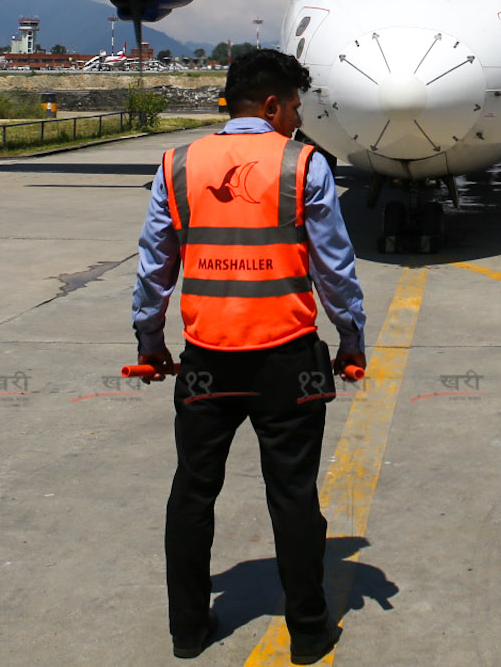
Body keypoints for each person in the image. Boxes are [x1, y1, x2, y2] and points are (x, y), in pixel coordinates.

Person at [133, 48, 367, 662]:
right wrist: (352, 338)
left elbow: (155, 264)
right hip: (287, 360)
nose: (296, 117)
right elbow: (334, 268)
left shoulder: (178, 163)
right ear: (271, 104)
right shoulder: (303, 164)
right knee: (293, 495)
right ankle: (309, 634)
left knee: (192, 492)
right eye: (293, 105)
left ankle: (187, 630)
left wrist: (150, 341)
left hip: (207, 358)